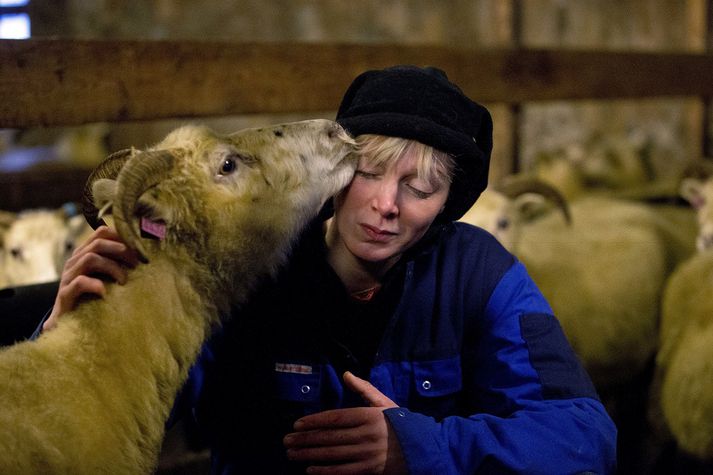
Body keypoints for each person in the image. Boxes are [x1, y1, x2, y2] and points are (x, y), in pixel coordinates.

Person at [41, 65, 617, 474]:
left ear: (448, 203)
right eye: (367, 173)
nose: (386, 205)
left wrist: (423, 448)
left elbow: (586, 436)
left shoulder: (479, 273)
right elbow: (138, 408)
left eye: (420, 188)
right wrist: (73, 332)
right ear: (334, 172)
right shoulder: (240, 272)